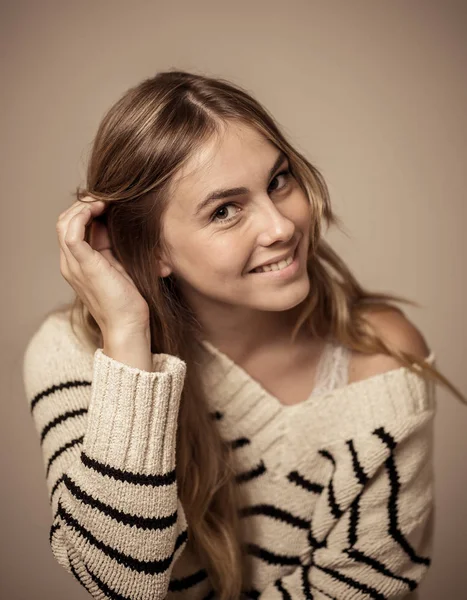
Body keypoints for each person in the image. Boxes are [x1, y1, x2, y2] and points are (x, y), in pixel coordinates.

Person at [22, 70, 465, 600]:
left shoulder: (379, 361)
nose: (281, 226)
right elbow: (120, 584)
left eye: (278, 181)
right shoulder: (75, 352)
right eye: (225, 210)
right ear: (153, 249)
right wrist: (127, 335)